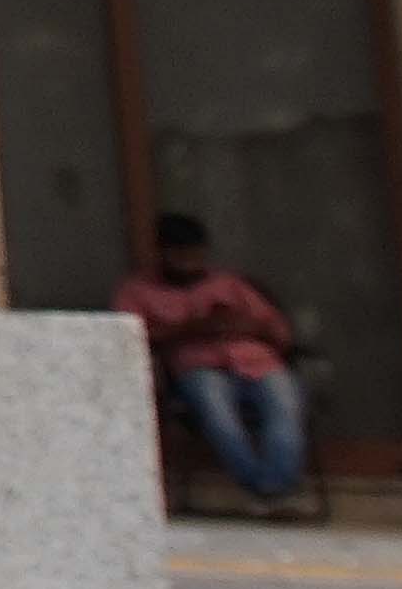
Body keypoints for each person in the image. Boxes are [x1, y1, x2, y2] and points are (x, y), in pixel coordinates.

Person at [118, 210, 320, 518]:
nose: (190, 262)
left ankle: (275, 488)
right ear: (163, 254)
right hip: (197, 367)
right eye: (181, 255)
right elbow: (127, 340)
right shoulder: (138, 292)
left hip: (256, 361)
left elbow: (279, 331)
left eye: (196, 254)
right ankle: (264, 489)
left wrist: (244, 326)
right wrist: (190, 329)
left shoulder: (231, 285)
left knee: (286, 405)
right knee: (218, 414)